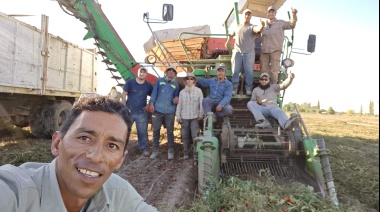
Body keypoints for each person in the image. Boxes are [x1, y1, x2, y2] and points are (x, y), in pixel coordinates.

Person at [0, 96, 157, 212]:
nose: (95, 156)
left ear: (120, 160)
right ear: (57, 144)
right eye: (84, 138)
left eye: (111, 145)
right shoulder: (15, 193)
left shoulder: (119, 193)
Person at [225, 8, 265, 95]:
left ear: (251, 17)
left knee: (249, 72)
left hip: (249, 53)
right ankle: (234, 88)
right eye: (246, 14)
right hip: (237, 52)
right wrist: (228, 42)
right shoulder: (237, 27)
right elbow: (231, 34)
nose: (247, 16)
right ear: (243, 16)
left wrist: (262, 26)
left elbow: (258, 29)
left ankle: (249, 89)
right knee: (235, 71)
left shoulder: (252, 27)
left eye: (249, 15)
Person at [148, 66, 180, 160]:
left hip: (170, 111)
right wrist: (151, 103)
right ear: (166, 72)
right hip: (158, 110)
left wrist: (177, 98)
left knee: (170, 131)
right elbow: (154, 92)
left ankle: (170, 151)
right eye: (169, 71)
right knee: (156, 130)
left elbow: (176, 95)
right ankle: (155, 151)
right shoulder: (160, 81)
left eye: (173, 72)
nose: (171, 73)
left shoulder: (176, 84)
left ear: (175, 74)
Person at [260, 6, 298, 84]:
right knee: (263, 71)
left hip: (275, 50)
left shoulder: (281, 23)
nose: (271, 13)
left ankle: (274, 88)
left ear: (275, 14)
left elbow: (292, 25)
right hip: (265, 51)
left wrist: (293, 14)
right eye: (269, 12)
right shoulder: (263, 25)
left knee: (275, 71)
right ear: (267, 14)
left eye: (272, 12)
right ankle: (263, 88)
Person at [122, 67, 153, 157]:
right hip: (129, 112)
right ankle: (121, 149)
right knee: (125, 131)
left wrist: (149, 104)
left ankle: (144, 149)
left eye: (144, 72)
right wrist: (124, 107)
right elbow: (124, 94)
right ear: (137, 73)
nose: (142, 74)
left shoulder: (148, 85)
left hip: (141, 113)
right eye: (141, 72)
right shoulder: (130, 82)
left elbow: (153, 95)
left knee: (142, 132)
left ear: (146, 74)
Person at [176, 72, 203, 160]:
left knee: (195, 135)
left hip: (195, 117)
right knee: (184, 135)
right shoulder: (182, 93)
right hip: (184, 117)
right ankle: (186, 153)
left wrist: (200, 114)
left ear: (194, 81)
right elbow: (179, 104)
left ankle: (196, 154)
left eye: (191, 79)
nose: (189, 81)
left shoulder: (198, 91)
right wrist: (178, 115)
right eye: (188, 79)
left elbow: (201, 103)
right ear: (185, 81)